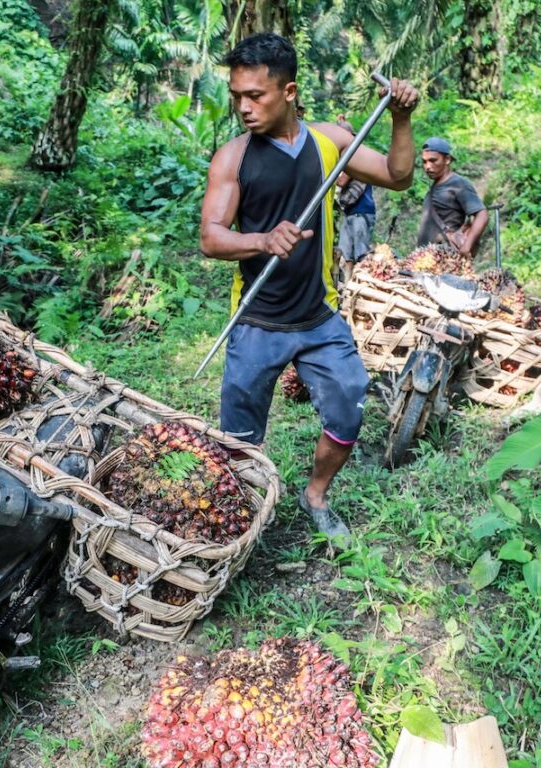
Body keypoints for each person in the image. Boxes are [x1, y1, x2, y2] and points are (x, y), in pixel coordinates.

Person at [199, 32, 420, 544]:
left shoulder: (329, 144)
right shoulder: (232, 158)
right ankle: (241, 518)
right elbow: (211, 238)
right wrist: (261, 238)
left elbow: (398, 175)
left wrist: (401, 118)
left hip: (319, 316)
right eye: (237, 96)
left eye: (255, 95)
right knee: (239, 441)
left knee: (348, 407)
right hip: (256, 320)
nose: (243, 108)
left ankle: (315, 495)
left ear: (290, 90)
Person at [416, 137, 488, 258]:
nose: (428, 166)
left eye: (433, 160)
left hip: (446, 259)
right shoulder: (435, 185)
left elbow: (482, 215)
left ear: (447, 159)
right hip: (427, 258)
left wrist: (466, 247)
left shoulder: (458, 184)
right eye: (424, 161)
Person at [334, 115, 376, 278]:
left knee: (361, 255)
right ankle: (348, 288)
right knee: (347, 254)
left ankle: (363, 287)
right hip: (351, 212)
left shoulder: (355, 155)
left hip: (361, 213)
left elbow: (342, 181)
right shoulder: (347, 156)